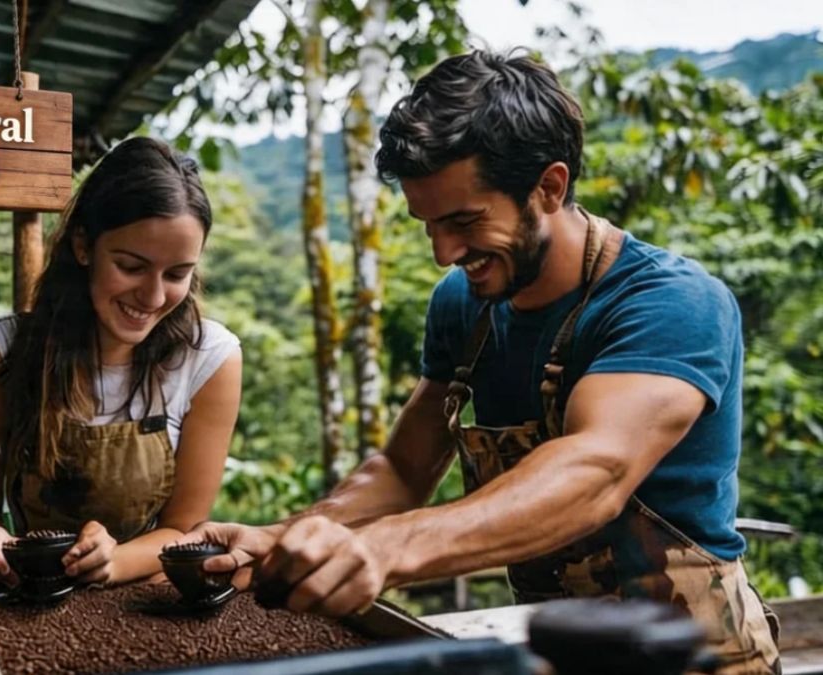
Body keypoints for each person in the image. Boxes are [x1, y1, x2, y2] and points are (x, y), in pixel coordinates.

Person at [185, 51, 780, 674]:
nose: (445, 252)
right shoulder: (463, 305)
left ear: (549, 187)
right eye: (429, 225)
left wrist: (387, 548)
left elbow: (594, 472)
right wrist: (291, 537)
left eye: (465, 221)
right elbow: (403, 466)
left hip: (696, 657)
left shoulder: (672, 302)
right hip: (561, 654)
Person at [0, 137, 242, 588]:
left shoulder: (210, 360)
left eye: (177, 274)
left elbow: (182, 527)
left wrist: (115, 562)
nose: (153, 296)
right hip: (28, 593)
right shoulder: (4, 351)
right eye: (131, 266)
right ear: (84, 246)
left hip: (146, 599)